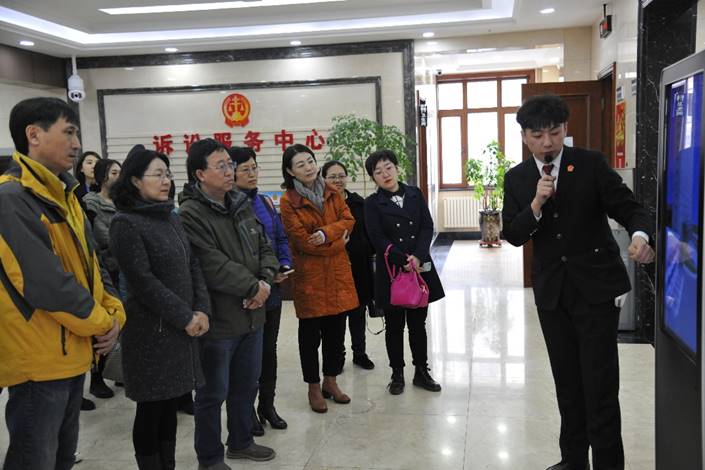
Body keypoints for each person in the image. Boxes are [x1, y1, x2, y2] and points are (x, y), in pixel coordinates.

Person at [501, 94, 655, 470]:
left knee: (600, 386)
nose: (548, 143)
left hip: (595, 290)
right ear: (524, 137)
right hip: (552, 294)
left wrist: (640, 236)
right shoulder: (517, 178)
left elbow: (630, 207)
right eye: (538, 135)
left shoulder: (590, 164)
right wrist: (536, 204)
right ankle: (573, 460)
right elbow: (513, 234)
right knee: (567, 383)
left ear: (565, 129)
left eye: (555, 132)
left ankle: (608, 464)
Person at [0, 97, 125, 470]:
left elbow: (92, 267)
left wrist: (115, 313)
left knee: (60, 459)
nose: (76, 144)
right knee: (34, 460)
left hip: (71, 355)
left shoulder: (65, 195)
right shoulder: (11, 199)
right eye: (68, 132)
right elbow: (46, 283)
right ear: (33, 135)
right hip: (38, 364)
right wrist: (103, 323)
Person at [109, 145, 211, 470]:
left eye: (167, 173)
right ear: (135, 180)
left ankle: (169, 464)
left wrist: (202, 310)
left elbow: (193, 264)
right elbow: (143, 281)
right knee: (151, 408)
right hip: (150, 333)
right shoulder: (125, 223)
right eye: (157, 174)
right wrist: (185, 317)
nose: (166, 180)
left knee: (170, 407)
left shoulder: (170, 217)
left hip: (181, 330)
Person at [179, 139, 279, 469]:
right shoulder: (190, 214)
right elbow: (212, 264)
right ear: (199, 174)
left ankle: (241, 441)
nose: (229, 171)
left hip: (253, 315)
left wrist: (265, 281)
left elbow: (264, 246)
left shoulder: (240, 203)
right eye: (220, 166)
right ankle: (210, 458)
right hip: (220, 321)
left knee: (246, 386)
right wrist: (253, 286)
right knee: (212, 394)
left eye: (229, 165)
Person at [279, 144, 358, 413]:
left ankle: (330, 382)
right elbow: (302, 241)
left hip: (337, 275)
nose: (308, 167)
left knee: (336, 334)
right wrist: (338, 244)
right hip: (310, 278)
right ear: (291, 171)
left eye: (310, 161)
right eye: (300, 164)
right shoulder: (288, 201)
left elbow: (348, 221)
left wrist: (325, 234)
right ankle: (313, 387)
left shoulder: (332, 191)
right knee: (310, 337)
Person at [364, 150, 445, 396]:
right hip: (392, 271)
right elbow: (376, 237)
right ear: (373, 178)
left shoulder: (414, 193)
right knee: (394, 326)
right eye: (378, 172)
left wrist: (418, 256)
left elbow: (427, 226)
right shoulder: (372, 203)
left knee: (418, 324)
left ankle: (421, 371)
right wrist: (401, 259)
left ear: (397, 167)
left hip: (419, 268)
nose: (385, 174)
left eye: (388, 167)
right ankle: (397, 374)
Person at [230, 146, 292, 435]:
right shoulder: (228, 206)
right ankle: (247, 412)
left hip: (272, 291)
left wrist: (284, 264)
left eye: (254, 167)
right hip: (247, 294)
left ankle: (267, 405)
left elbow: (279, 238)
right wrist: (261, 278)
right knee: (247, 358)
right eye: (245, 169)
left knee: (269, 352)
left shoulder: (265, 202)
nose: (252, 173)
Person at [321, 160, 375, 370]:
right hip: (332, 266)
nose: (337, 180)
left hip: (358, 266)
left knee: (358, 312)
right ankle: (338, 355)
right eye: (332, 176)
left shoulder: (358, 203)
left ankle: (360, 353)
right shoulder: (321, 204)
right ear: (324, 179)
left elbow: (368, 233)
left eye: (341, 176)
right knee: (336, 315)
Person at [83, 158, 122, 400]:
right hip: (103, 268)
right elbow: (99, 236)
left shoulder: (123, 202)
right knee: (101, 326)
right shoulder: (91, 202)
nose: (119, 176)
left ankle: (117, 370)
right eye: (114, 172)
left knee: (120, 322)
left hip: (122, 269)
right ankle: (96, 377)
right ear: (102, 177)